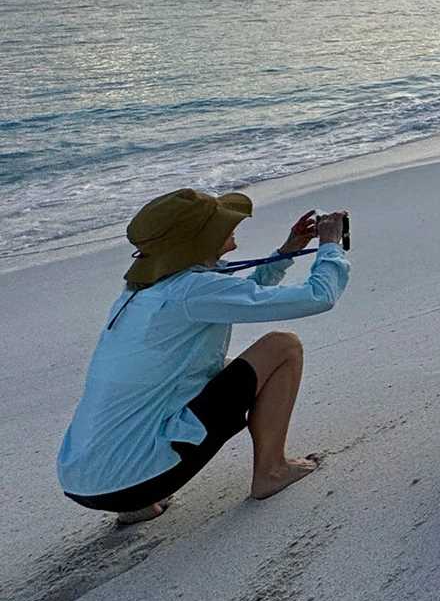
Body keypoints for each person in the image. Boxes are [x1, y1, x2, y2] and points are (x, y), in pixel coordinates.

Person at [58, 190, 350, 524]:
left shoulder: (142, 291)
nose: (232, 225)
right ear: (198, 239)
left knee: (206, 375)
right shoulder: (192, 291)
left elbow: (236, 297)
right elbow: (318, 296)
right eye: (220, 223)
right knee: (282, 347)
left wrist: (286, 252)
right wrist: (331, 246)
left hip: (83, 480)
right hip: (136, 479)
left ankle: (136, 506)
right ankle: (271, 470)